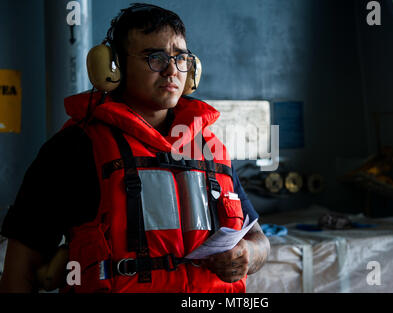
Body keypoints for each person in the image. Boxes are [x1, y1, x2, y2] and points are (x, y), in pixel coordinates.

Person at [0, 3, 270, 293]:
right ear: (113, 67)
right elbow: (21, 268)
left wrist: (248, 255)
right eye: (154, 57)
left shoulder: (209, 148)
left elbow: (258, 239)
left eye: (180, 58)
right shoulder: (74, 148)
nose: (171, 70)